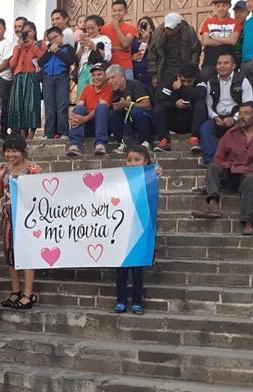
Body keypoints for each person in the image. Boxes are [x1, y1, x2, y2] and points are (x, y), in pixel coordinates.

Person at [191, 102, 253, 235]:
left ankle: (248, 221)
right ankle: (213, 204)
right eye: (240, 113)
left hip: (252, 177)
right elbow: (219, 157)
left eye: (246, 113)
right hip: (232, 173)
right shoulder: (231, 134)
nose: (241, 117)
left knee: (251, 178)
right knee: (213, 166)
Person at [0, 137, 42, 310]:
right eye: (7, 151)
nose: (10, 155)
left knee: (27, 254)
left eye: (14, 151)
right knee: (11, 254)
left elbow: (39, 193)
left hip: (28, 216)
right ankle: (15, 291)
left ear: (22, 151)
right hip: (9, 216)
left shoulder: (33, 169)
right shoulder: (4, 170)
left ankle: (28, 294)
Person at [199, 53, 253, 166]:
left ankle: (234, 160)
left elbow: (248, 104)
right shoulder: (211, 82)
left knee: (242, 130)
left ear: (233, 66)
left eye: (226, 63)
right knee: (205, 128)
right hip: (218, 118)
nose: (222, 66)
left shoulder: (242, 81)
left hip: (237, 118)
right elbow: (209, 105)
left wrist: (234, 118)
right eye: (219, 63)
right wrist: (215, 117)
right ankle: (212, 161)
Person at [117, 146, 153, 315]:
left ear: (146, 162)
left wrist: (156, 174)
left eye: (137, 160)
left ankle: (137, 302)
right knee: (120, 270)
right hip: (121, 230)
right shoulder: (120, 179)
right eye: (129, 160)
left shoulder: (149, 178)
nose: (132, 163)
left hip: (140, 230)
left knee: (137, 271)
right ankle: (121, 301)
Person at [153, 63, 208, 152]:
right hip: (174, 118)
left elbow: (200, 94)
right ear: (178, 77)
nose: (185, 83)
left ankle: (195, 139)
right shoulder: (170, 81)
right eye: (183, 81)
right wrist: (174, 104)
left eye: (189, 81)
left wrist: (181, 87)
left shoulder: (200, 81)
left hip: (191, 121)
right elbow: (161, 99)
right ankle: (164, 140)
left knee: (200, 104)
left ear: (195, 78)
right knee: (158, 108)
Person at [7, 21, 46, 137]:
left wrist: (32, 46)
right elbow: (12, 64)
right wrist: (18, 48)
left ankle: (31, 135)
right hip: (19, 77)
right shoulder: (18, 47)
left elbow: (43, 59)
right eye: (24, 32)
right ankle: (23, 135)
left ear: (34, 32)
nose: (26, 34)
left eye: (29, 31)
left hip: (32, 76)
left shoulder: (40, 44)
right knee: (19, 105)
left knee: (32, 105)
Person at [68, 63, 115, 156]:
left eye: (99, 74)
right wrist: (73, 116)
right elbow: (80, 104)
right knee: (79, 109)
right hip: (87, 126)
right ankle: (75, 144)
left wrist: (84, 119)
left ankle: (100, 144)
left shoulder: (110, 89)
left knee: (101, 107)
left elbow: (102, 108)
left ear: (106, 76)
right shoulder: (87, 89)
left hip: (103, 125)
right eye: (93, 75)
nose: (96, 77)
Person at [147, 13, 201, 92]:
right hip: (165, 70)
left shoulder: (189, 32)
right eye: (167, 28)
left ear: (179, 26)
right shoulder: (157, 35)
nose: (169, 31)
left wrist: (192, 69)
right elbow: (152, 56)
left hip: (184, 69)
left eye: (172, 28)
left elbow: (196, 51)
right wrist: (154, 75)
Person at [106, 64, 153, 151]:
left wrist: (127, 104)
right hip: (128, 123)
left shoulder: (135, 84)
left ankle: (145, 142)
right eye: (108, 79)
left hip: (146, 120)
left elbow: (147, 105)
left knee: (136, 112)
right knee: (112, 114)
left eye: (113, 77)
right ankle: (123, 142)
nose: (110, 81)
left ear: (122, 76)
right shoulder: (115, 91)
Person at [41, 25, 76, 140]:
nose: (53, 40)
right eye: (50, 39)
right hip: (48, 79)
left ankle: (63, 132)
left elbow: (70, 60)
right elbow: (41, 62)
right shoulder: (48, 50)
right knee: (49, 107)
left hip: (62, 77)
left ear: (61, 36)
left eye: (55, 37)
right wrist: (50, 51)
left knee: (62, 105)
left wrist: (57, 51)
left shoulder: (68, 48)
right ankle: (48, 133)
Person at [200, 0, 243, 81]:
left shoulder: (235, 22)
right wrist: (226, 40)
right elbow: (205, 41)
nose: (221, 8)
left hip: (228, 63)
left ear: (229, 6)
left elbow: (233, 41)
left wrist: (213, 36)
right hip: (209, 63)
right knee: (204, 83)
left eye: (224, 5)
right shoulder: (208, 22)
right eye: (218, 6)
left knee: (229, 86)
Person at [75, 15, 112, 99]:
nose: (90, 31)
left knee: (94, 94)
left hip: (96, 69)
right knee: (82, 95)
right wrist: (81, 47)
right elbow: (77, 58)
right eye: (87, 28)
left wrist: (93, 46)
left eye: (92, 28)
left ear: (99, 27)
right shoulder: (83, 39)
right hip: (82, 70)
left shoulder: (104, 39)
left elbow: (107, 56)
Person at [101, 0, 138, 79]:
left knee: (128, 87)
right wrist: (120, 49)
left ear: (125, 12)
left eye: (120, 10)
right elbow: (102, 49)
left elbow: (125, 44)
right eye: (114, 10)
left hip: (125, 68)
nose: (116, 13)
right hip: (108, 68)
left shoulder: (131, 28)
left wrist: (117, 28)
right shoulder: (104, 29)